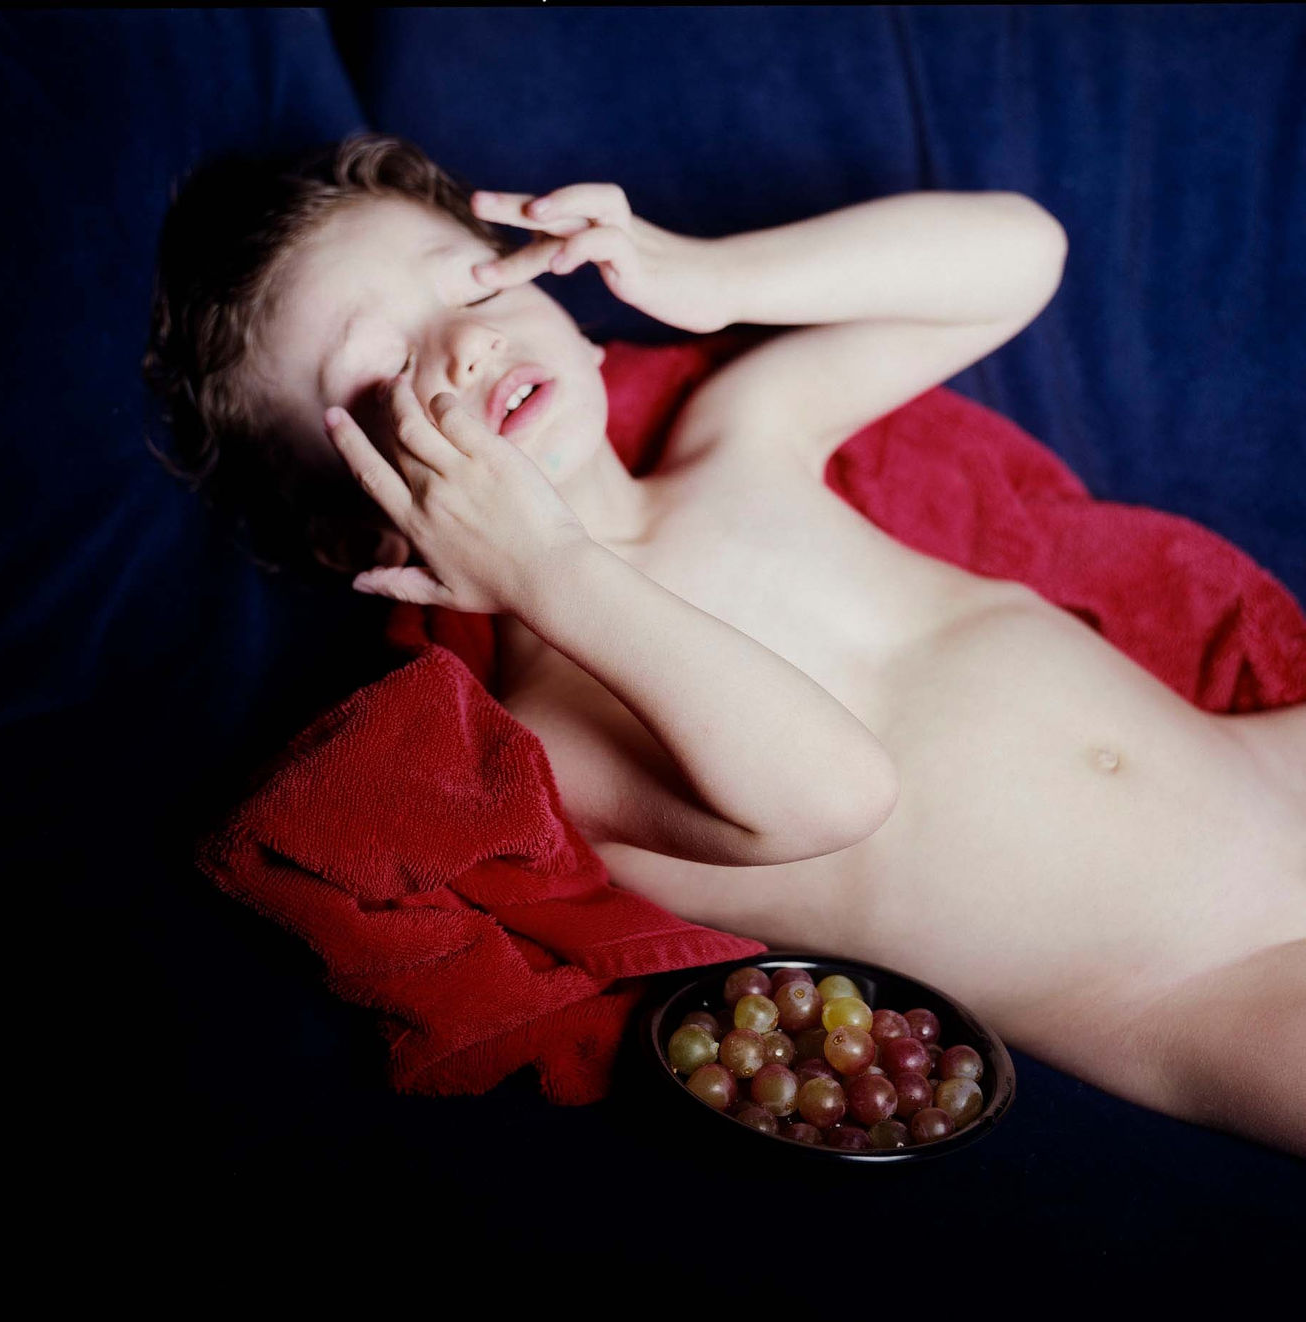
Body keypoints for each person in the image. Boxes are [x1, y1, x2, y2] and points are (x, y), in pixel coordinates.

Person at [142, 132, 1306, 1156]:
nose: (461, 343)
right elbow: (833, 791)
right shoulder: (559, 736)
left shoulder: (738, 436)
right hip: (1211, 991)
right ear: (358, 520)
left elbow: (1020, 256)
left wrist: (708, 273)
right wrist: (548, 569)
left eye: (477, 283)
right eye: (383, 368)